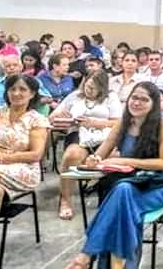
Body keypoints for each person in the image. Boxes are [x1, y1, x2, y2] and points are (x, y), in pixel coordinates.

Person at [66, 82, 163, 269]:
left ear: (153, 104)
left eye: (144, 99)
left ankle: (86, 255)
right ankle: (119, 262)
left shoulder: (162, 125)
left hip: (154, 186)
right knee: (123, 195)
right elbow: (100, 154)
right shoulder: (122, 124)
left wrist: (125, 161)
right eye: (134, 97)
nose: (137, 103)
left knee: (121, 192)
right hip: (126, 187)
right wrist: (94, 160)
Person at [50, 70, 122, 220]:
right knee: (71, 156)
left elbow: (117, 122)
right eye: (87, 86)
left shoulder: (111, 98)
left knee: (115, 157)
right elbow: (52, 116)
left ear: (102, 88)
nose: (89, 90)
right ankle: (65, 200)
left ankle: (108, 199)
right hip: (78, 134)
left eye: (93, 88)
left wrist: (96, 123)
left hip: (104, 136)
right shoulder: (75, 96)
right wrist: (61, 116)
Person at [0, 75, 49, 209]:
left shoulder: (37, 120)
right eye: (12, 89)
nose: (16, 93)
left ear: (32, 94)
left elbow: (36, 155)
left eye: (22, 89)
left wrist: (4, 157)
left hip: (25, 167)